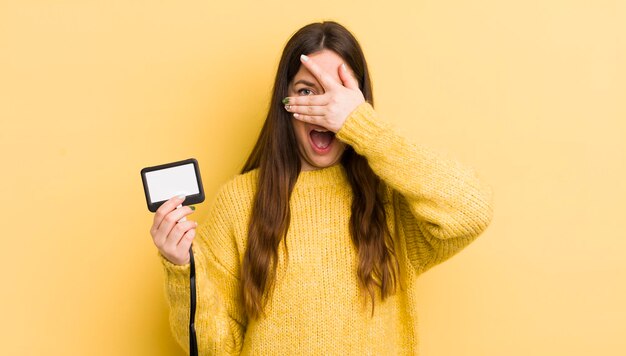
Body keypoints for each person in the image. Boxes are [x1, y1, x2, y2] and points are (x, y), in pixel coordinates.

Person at [149, 21, 493, 355]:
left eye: (337, 93)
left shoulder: (390, 197)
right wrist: (181, 271)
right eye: (306, 92)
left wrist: (360, 124)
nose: (323, 109)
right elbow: (215, 349)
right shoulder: (240, 202)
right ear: (285, 105)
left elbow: (471, 210)